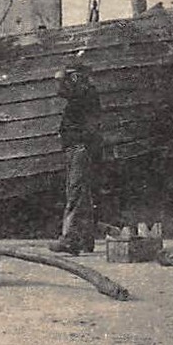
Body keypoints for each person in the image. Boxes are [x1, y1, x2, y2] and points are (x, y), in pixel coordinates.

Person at [49, 65, 102, 255]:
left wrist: (80, 144)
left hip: (79, 149)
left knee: (75, 192)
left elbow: (90, 127)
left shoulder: (84, 97)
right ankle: (85, 239)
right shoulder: (84, 96)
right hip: (79, 148)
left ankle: (70, 239)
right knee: (83, 194)